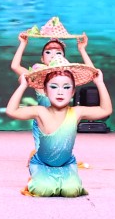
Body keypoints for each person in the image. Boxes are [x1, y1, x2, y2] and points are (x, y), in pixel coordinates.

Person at [4, 54, 111, 197]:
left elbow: (105, 110)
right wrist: (23, 86)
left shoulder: (76, 112)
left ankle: (64, 178)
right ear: (45, 90)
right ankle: (37, 178)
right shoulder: (40, 112)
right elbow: (11, 111)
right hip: (41, 163)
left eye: (66, 87)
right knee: (43, 189)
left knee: (72, 191)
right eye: (54, 87)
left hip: (67, 163)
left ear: (72, 92)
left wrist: (100, 83)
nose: (60, 92)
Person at [10, 17, 97, 165]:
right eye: (48, 52)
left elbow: (92, 72)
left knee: (61, 150)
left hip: (64, 119)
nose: (53, 55)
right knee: (43, 153)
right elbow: (15, 66)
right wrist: (23, 44)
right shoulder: (37, 75)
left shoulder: (67, 76)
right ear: (42, 58)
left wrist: (82, 49)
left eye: (58, 53)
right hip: (43, 121)